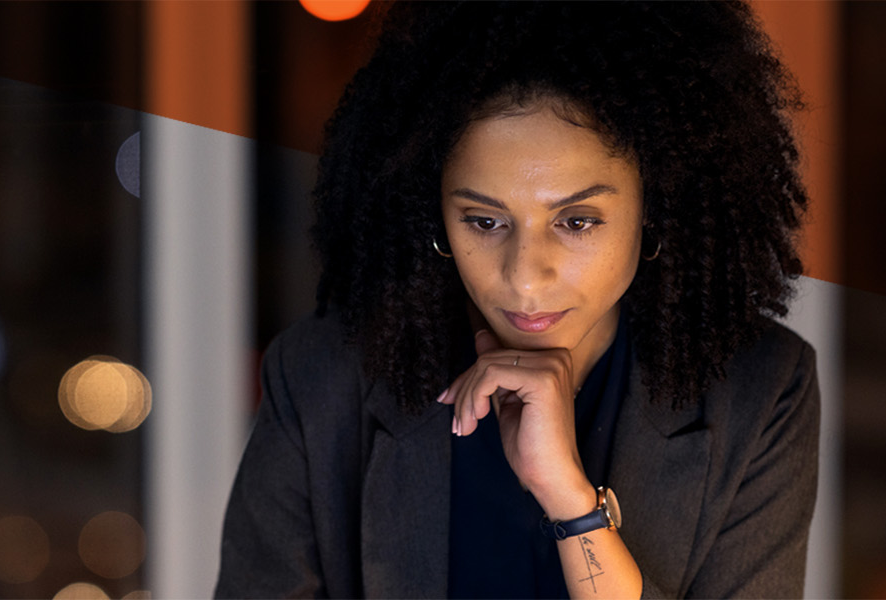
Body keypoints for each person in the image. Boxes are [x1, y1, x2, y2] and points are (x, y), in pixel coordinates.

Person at [214, 2, 821, 598]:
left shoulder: (759, 391)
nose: (525, 280)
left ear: (655, 206)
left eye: (577, 222)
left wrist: (570, 502)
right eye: (483, 221)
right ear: (433, 213)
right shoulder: (320, 378)